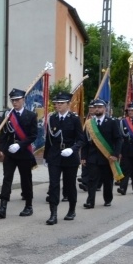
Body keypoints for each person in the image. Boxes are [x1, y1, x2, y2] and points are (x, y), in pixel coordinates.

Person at [0, 88, 37, 219]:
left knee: (26, 180)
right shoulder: (7, 115)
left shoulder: (31, 115)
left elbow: (33, 135)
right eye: (13, 100)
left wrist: (20, 144)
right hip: (10, 153)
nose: (15, 102)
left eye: (17, 100)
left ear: (23, 100)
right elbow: (3, 133)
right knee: (7, 179)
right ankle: (3, 206)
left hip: (23, 152)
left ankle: (28, 205)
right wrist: (2, 148)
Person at [43, 92, 84, 224]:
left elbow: (81, 139)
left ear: (68, 104)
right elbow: (49, 140)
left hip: (69, 156)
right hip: (54, 155)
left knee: (69, 185)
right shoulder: (52, 118)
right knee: (54, 184)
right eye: (57, 103)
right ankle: (53, 214)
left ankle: (72, 209)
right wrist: (45, 156)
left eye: (61, 103)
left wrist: (72, 149)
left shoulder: (74, 119)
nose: (58, 105)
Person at [81, 99, 123, 208]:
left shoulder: (112, 122)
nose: (97, 109)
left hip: (107, 157)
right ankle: (90, 201)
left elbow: (118, 139)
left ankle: (108, 199)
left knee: (107, 180)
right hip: (92, 157)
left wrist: (115, 154)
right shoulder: (89, 123)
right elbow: (85, 142)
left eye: (99, 107)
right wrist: (83, 157)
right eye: (95, 107)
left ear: (104, 109)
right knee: (92, 180)